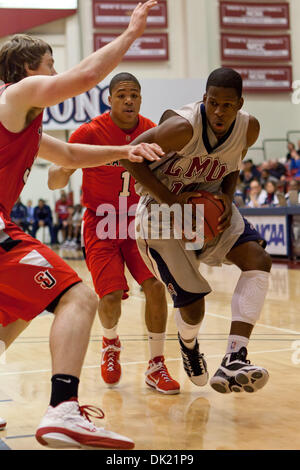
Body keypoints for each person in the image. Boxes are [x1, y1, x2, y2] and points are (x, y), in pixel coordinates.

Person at [0, 0, 163, 448]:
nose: (57, 74)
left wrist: (126, 152)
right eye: (51, 66)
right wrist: (131, 35)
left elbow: (70, 157)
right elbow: (88, 78)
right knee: (78, 295)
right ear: (28, 70)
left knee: (16, 311)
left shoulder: (22, 123)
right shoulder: (12, 98)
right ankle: (63, 409)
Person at [120, 67, 272, 395]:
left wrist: (229, 198)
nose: (219, 111)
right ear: (204, 99)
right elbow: (131, 157)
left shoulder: (250, 128)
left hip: (209, 202)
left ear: (239, 104)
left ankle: (235, 358)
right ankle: (189, 347)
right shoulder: (183, 128)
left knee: (257, 258)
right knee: (193, 306)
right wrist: (173, 199)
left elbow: (232, 165)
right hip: (161, 212)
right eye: (213, 103)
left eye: (227, 105)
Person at [48, 72, 180, 395]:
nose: (129, 100)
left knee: (155, 287)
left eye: (134, 94)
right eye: (122, 95)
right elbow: (55, 178)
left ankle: (156, 364)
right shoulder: (90, 132)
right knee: (108, 297)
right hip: (101, 223)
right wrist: (63, 170)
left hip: (138, 223)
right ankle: (110, 343)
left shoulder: (153, 132)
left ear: (140, 99)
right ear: (110, 100)